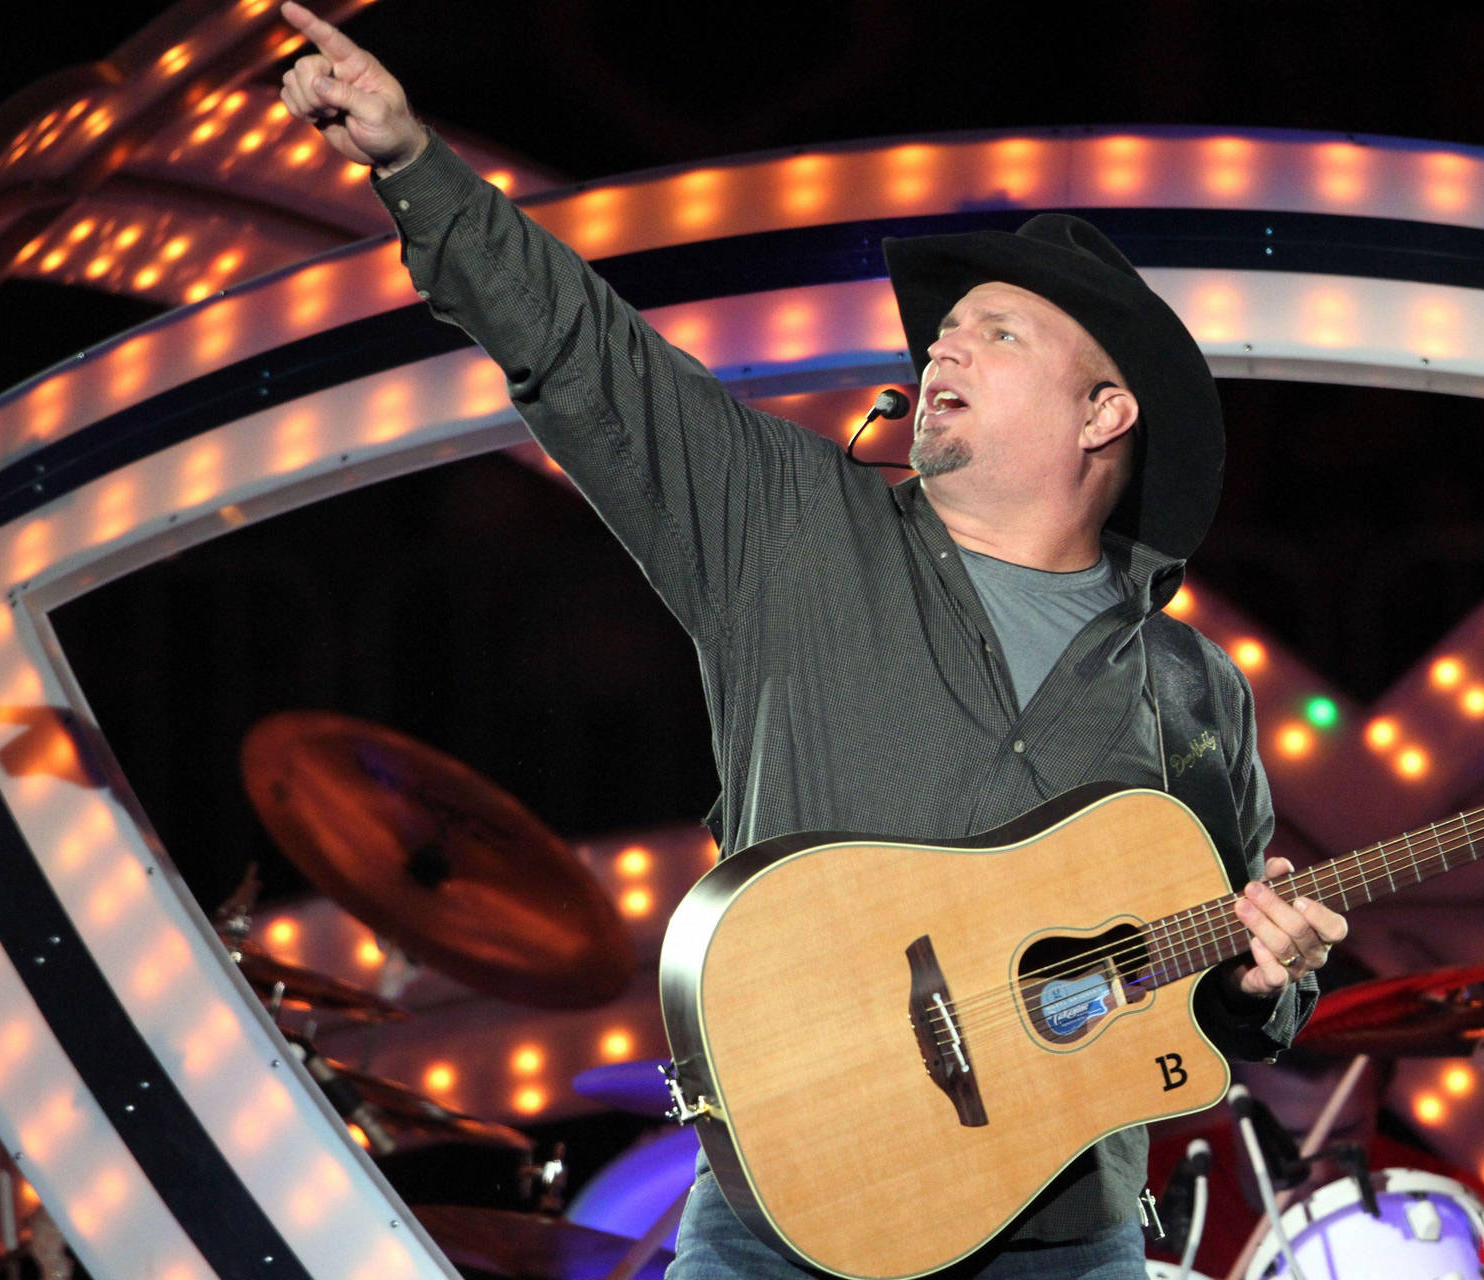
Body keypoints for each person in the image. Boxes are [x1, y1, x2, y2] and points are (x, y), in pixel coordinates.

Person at [276, 5, 1350, 1276]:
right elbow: (584, 353)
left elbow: (1212, 982)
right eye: (945, 330)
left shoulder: (1190, 687)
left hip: (1064, 1234)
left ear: (1104, 412)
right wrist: (414, 163)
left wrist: (1264, 976)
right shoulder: (789, 528)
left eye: (998, 331)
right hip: (792, 1213)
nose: (943, 340)